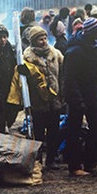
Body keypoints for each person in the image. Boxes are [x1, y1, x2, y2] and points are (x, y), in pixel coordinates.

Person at [63, 17, 97, 176]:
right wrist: (78, 101)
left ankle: (91, 163)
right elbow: (69, 79)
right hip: (77, 98)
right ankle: (74, 166)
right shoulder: (74, 51)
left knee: (95, 129)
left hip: (93, 96)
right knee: (74, 131)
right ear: (90, 33)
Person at [21, 26, 64, 170]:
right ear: (33, 41)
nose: (44, 41)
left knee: (54, 132)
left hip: (55, 101)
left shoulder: (55, 54)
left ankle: (51, 159)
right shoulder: (27, 57)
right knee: (38, 133)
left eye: (45, 38)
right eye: (40, 39)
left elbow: (63, 74)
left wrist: (62, 93)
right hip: (38, 102)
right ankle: (38, 161)